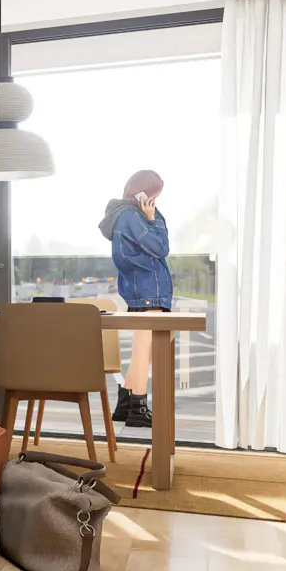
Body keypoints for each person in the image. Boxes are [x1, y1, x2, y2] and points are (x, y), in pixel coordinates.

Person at [98, 169, 171, 428]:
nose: (154, 203)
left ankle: (126, 404)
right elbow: (161, 248)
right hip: (148, 290)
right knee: (144, 349)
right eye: (153, 198)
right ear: (141, 194)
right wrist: (153, 220)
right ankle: (139, 407)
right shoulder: (133, 217)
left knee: (142, 347)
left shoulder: (124, 215)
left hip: (141, 288)